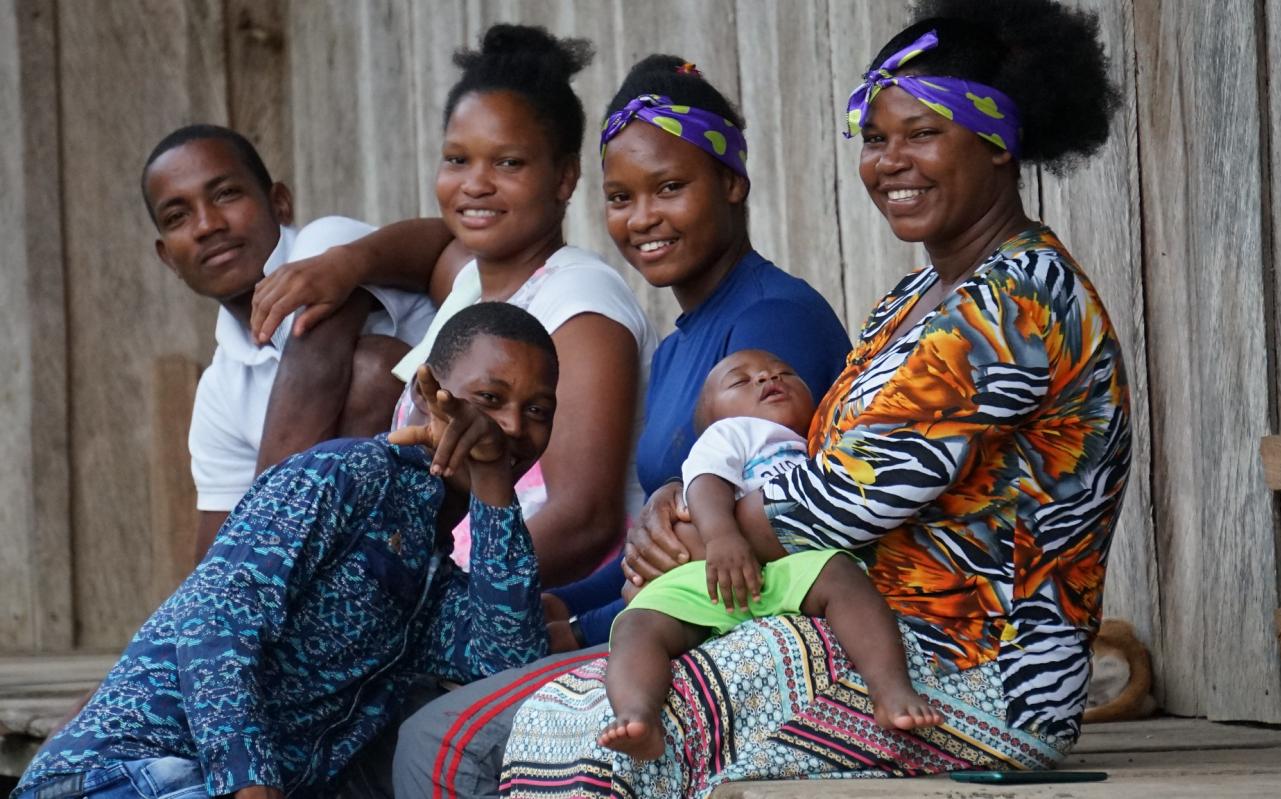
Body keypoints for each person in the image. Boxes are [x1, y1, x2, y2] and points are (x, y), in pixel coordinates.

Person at [500, 0, 1132, 794]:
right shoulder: (912, 301)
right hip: (862, 631)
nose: (890, 161)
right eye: (875, 138)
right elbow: (800, 462)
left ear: (999, 143)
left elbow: (839, 501)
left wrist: (704, 514)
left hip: (974, 679)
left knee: (590, 737)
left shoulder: (1014, 305)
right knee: (564, 718)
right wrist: (685, 497)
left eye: (923, 133)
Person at [390, 56, 852, 799]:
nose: (642, 218)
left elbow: (746, 530)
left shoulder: (773, 319)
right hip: (669, 622)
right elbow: (655, 543)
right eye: (621, 197)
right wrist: (570, 608)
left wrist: (589, 618)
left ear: (731, 182)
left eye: (670, 187)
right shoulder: (676, 348)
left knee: (438, 742)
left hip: (752, 630)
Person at [12, 302, 557, 799]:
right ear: (427, 392)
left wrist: (492, 483)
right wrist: (249, 782)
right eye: (489, 399)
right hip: (132, 771)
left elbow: (505, 660)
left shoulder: (434, 571)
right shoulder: (348, 474)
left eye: (537, 410)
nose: (510, 425)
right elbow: (215, 621)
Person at [247, 26, 656, 586]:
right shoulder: (471, 284)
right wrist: (348, 263)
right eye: (457, 159)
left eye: (508, 164)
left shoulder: (581, 302)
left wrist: (427, 602)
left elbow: (586, 523)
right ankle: (258, 561)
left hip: (528, 605)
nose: (475, 185)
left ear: (564, 178)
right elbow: (434, 244)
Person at [600, 349, 942, 761]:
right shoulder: (731, 433)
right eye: (740, 381)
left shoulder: (821, 441)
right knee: (637, 624)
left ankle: (890, 690)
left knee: (841, 576)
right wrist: (723, 537)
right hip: (711, 569)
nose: (766, 378)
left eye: (784, 372)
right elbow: (705, 485)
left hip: (783, 569)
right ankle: (637, 714)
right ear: (711, 416)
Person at [141, 124, 437, 560]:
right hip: (360, 567)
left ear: (280, 203)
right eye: (177, 217)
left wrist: (255, 571)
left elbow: (316, 366)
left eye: (225, 194)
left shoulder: (326, 245)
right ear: (169, 258)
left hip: (470, 506)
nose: (206, 225)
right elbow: (216, 554)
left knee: (372, 370)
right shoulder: (221, 389)